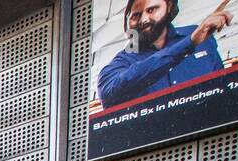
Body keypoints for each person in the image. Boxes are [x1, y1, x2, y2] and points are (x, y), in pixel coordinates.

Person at [96, 0, 229, 109]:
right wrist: (188, 44)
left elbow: (223, 87)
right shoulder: (123, 60)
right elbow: (109, 94)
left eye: (152, 10)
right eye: (136, 16)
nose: (144, 20)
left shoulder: (200, 36)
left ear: (169, 7)